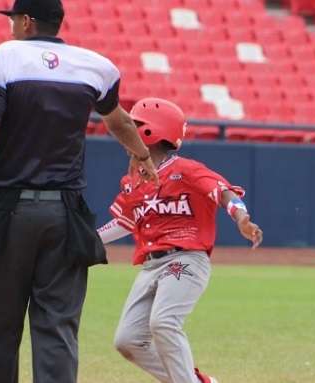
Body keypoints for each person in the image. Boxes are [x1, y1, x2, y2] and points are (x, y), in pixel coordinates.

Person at [0, 0, 157, 382]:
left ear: (26, 21)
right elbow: (118, 119)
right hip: (66, 216)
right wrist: (142, 156)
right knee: (57, 327)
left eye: (13, 20)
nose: (11, 27)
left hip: (11, 212)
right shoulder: (95, 66)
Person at [97, 97, 263, 383]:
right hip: (151, 266)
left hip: (186, 259)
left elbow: (223, 192)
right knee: (128, 340)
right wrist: (89, 239)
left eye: (133, 127)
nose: (125, 134)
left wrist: (241, 217)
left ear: (150, 133)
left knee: (163, 322)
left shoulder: (185, 169)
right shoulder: (134, 179)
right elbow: (125, 222)